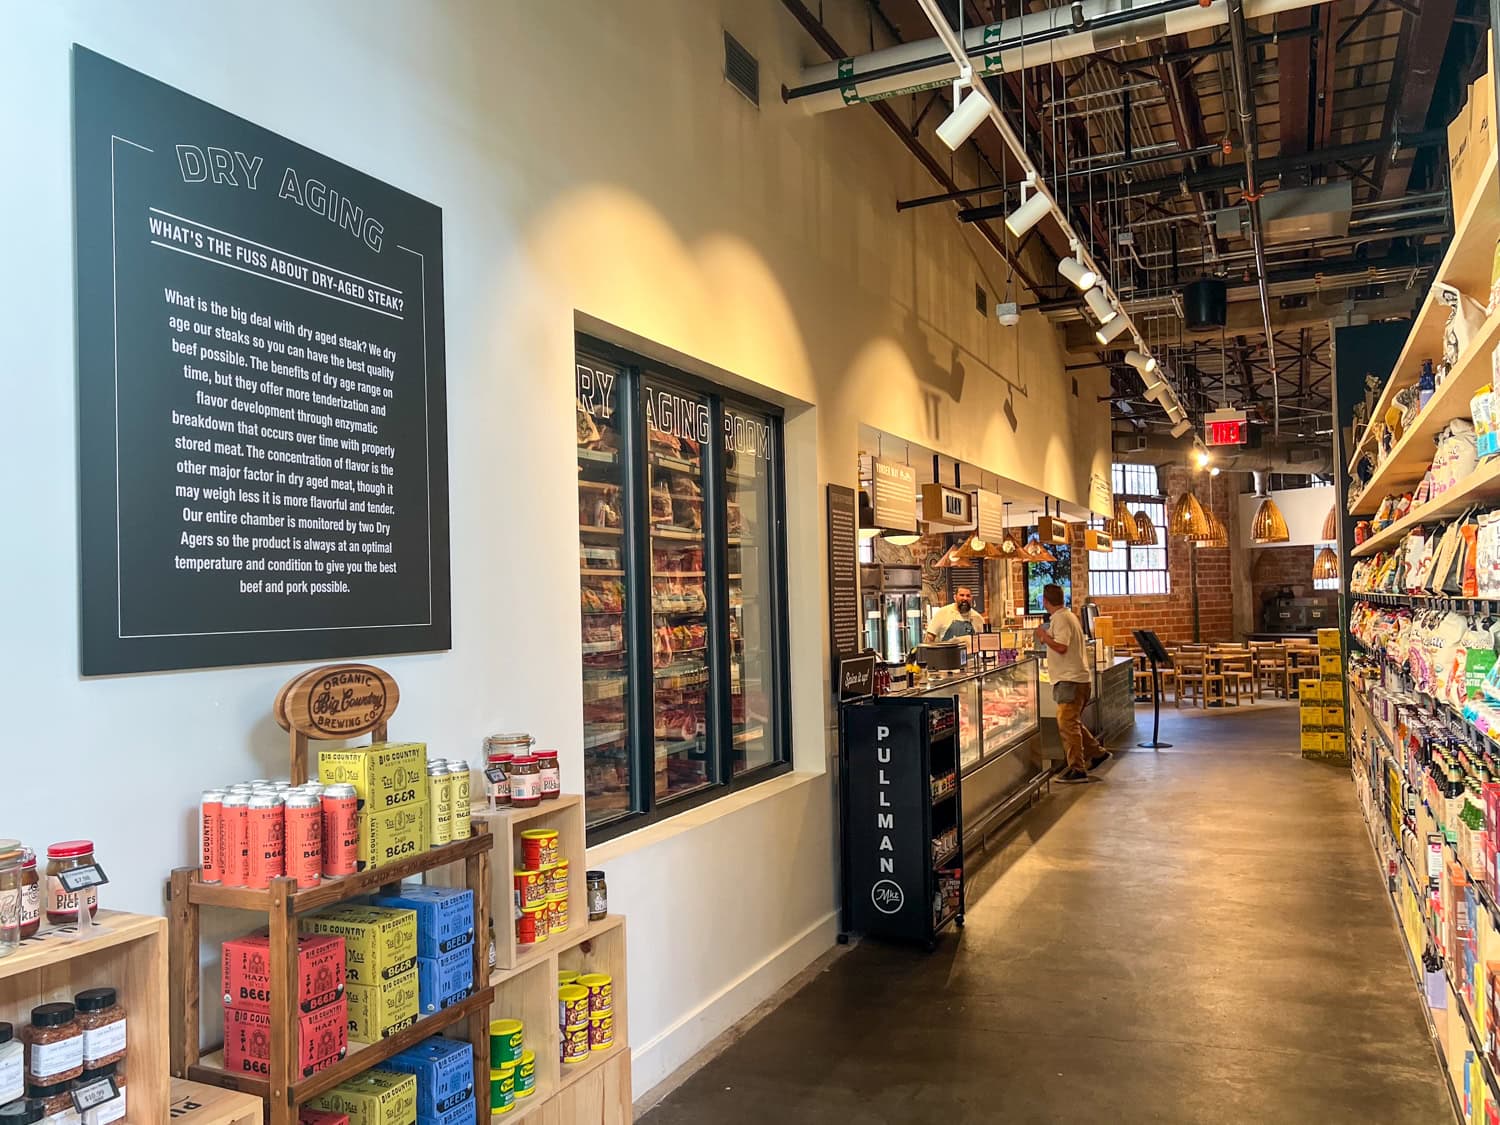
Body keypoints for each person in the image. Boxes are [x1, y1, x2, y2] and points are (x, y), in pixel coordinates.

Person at [1036, 583, 1109, 784]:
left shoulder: (1060, 619)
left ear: (1045, 601)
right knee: (1072, 722)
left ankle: (1077, 768)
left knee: (1067, 724)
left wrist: (1043, 636)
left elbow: (1061, 646)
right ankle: (1097, 753)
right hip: (1077, 679)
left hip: (1070, 680)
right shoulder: (1068, 616)